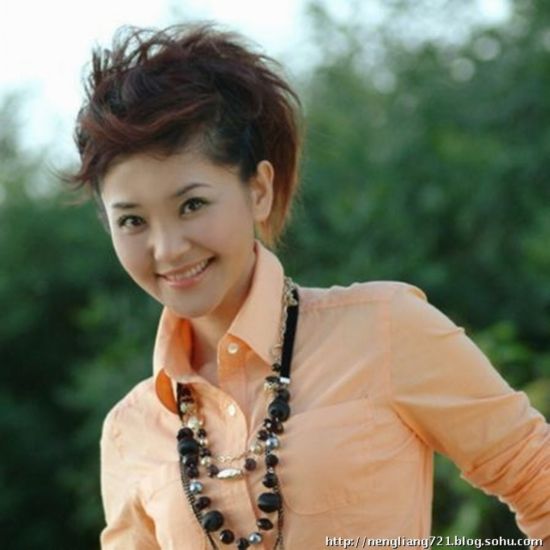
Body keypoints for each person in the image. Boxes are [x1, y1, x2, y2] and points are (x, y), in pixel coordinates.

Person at [67, 23, 550, 550]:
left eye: (192, 205)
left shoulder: (384, 329)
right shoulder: (131, 429)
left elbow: (538, 478)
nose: (168, 248)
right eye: (132, 221)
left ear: (259, 190)